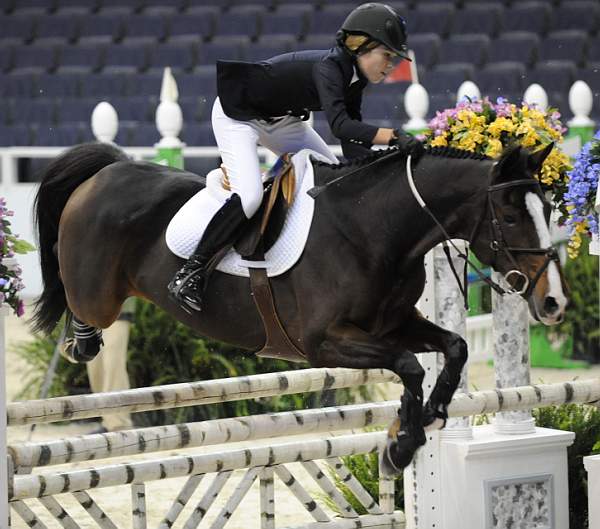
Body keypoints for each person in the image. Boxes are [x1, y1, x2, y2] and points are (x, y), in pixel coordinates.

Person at [168, 2, 424, 312]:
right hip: (238, 115)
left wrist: (385, 166)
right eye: (387, 56)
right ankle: (191, 272)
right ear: (362, 46)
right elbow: (340, 125)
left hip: (281, 121)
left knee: (333, 178)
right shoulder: (331, 69)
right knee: (249, 197)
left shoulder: (355, 79)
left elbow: (351, 143)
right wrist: (394, 137)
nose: (391, 66)